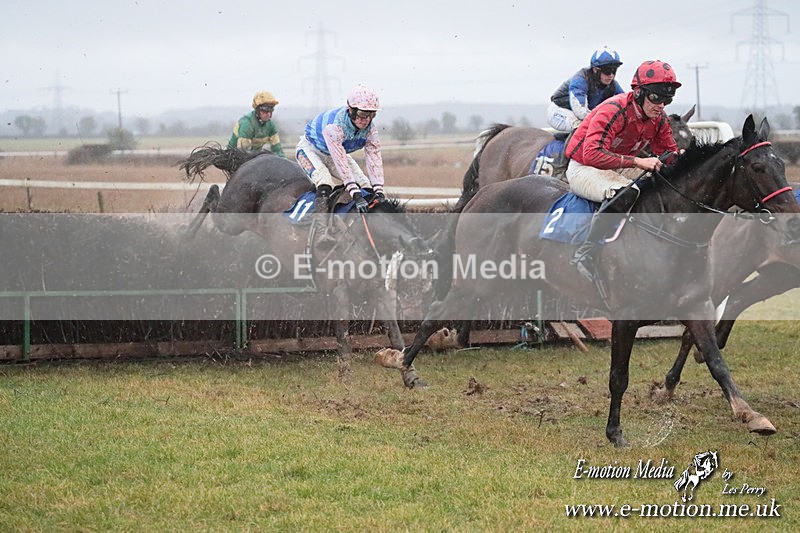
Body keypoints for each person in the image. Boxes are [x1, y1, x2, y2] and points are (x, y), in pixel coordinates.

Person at [565, 59, 681, 281]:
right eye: (656, 98)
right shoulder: (613, 109)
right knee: (627, 192)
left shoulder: (659, 119)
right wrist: (637, 161)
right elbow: (591, 154)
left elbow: (670, 153)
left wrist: (682, 158)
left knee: (662, 182)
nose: (661, 105)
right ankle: (585, 253)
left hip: (614, 165)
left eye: (667, 100)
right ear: (639, 93)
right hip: (584, 166)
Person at [295, 85, 385, 221]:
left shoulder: (371, 131)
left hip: (333, 153)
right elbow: (340, 161)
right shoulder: (335, 127)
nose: (367, 119)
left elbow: (374, 160)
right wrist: (355, 194)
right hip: (309, 150)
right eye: (362, 114)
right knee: (325, 181)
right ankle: (320, 226)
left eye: (372, 114)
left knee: (365, 184)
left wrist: (379, 191)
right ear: (351, 111)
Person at [546, 47, 625, 134]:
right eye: (607, 70)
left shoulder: (613, 84)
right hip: (559, 111)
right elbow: (581, 112)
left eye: (614, 70)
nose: (611, 75)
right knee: (583, 127)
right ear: (595, 70)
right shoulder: (580, 79)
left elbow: (626, 104)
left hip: (582, 114)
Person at [228, 91, 285, 157]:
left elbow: (278, 151)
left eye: (271, 110)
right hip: (233, 157)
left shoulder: (271, 125)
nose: (268, 114)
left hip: (253, 156)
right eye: (265, 110)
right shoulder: (247, 124)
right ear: (257, 110)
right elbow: (243, 153)